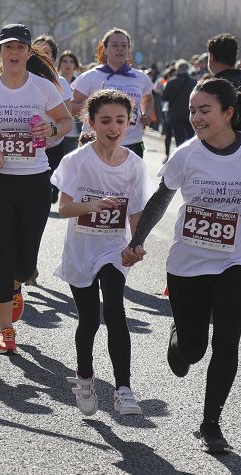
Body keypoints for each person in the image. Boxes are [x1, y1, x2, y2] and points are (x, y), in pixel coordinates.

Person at [125, 77, 241, 454]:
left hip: (236, 261)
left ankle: (211, 424)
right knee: (193, 350)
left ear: (228, 113)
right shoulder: (187, 154)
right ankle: (180, 341)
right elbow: (161, 200)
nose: (195, 117)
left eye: (203, 110)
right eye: (192, 110)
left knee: (227, 344)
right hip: (188, 264)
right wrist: (137, 240)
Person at [0, 23, 74, 354]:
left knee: (26, 262)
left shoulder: (43, 88)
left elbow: (67, 122)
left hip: (34, 181)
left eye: (20, 48)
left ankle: (17, 286)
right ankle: (6, 330)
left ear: (28, 53)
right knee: (2, 254)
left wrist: (52, 126)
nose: (13, 53)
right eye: (7, 47)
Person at [55, 89, 148, 417]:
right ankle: (84, 376)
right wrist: (90, 205)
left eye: (120, 120)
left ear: (130, 123)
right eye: (105, 120)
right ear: (91, 122)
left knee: (115, 310)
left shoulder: (134, 165)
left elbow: (136, 212)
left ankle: (123, 388)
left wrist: (136, 243)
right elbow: (63, 207)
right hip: (81, 249)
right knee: (89, 320)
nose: (113, 126)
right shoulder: (76, 161)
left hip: (112, 249)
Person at [70, 28, 154, 158]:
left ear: (128, 50)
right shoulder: (90, 76)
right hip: (95, 142)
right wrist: (94, 104)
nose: (120, 49)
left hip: (131, 143)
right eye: (115, 45)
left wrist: (147, 114)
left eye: (124, 45)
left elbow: (148, 99)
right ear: (104, 49)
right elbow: (71, 107)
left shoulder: (140, 77)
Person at [34, 35, 76, 204]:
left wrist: (50, 136)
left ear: (53, 57)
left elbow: (67, 117)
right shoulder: (20, 80)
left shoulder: (60, 82)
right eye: (36, 50)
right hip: (27, 146)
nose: (41, 55)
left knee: (46, 190)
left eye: (46, 52)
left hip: (52, 145)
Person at [161, 60, 196, 155]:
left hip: (175, 115)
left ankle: (180, 157)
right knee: (191, 138)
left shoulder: (171, 82)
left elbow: (164, 97)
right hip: (190, 114)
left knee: (179, 139)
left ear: (177, 69)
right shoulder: (194, 82)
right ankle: (190, 156)